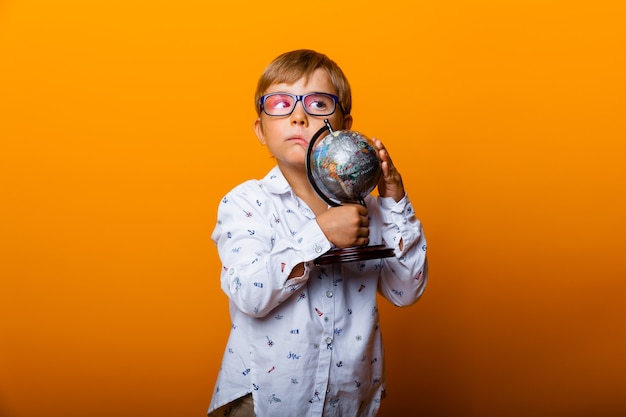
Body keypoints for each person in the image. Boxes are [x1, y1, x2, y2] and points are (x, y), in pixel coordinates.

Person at [207, 49, 428, 417]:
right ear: (261, 130)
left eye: (318, 103)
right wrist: (320, 233)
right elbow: (249, 294)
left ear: (344, 124)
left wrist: (394, 204)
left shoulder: (370, 211)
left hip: (347, 399)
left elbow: (407, 291)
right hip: (263, 399)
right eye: (280, 103)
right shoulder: (247, 202)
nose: (299, 116)